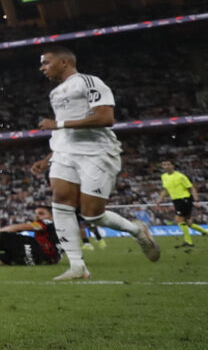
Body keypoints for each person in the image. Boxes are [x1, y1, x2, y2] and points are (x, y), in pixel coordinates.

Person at [31, 46, 160, 280]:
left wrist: (58, 125)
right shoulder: (55, 94)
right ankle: (77, 266)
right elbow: (64, 132)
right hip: (65, 153)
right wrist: (47, 158)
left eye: (46, 62)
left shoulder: (89, 82)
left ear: (63, 63)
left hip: (97, 153)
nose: (42, 68)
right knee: (59, 198)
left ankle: (136, 230)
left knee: (92, 215)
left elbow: (105, 118)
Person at [155, 160, 208, 248]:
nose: (166, 166)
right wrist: (160, 199)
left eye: (168, 164)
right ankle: (205, 233)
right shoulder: (163, 176)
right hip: (176, 200)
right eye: (164, 165)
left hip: (184, 199)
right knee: (187, 223)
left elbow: (191, 188)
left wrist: (196, 200)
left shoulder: (180, 176)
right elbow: (166, 190)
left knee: (179, 220)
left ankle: (188, 241)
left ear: (172, 166)